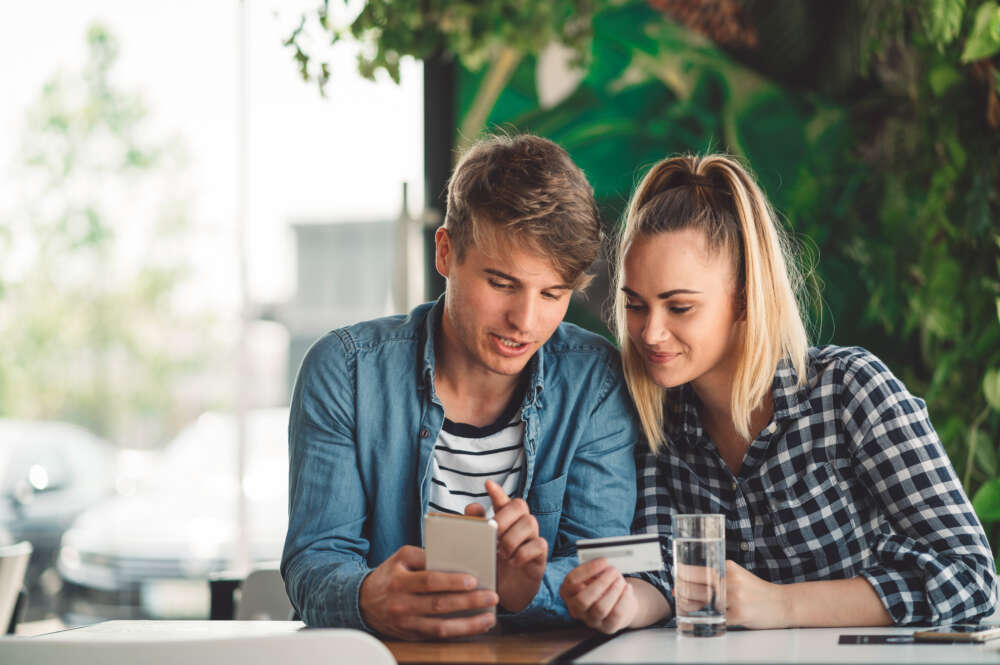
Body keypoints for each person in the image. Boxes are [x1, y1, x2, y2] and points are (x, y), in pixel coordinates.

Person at [559, 153, 998, 632]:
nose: (650, 333)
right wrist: (622, 604)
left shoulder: (849, 391)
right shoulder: (650, 415)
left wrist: (782, 605)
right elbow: (666, 577)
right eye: (636, 306)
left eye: (680, 307)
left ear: (746, 299)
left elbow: (973, 579)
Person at [281, 133, 638, 640]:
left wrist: (525, 589)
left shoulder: (595, 383)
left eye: (553, 293)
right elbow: (314, 562)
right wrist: (367, 598)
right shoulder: (345, 372)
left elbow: (605, 570)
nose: (525, 321)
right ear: (446, 252)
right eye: (501, 283)